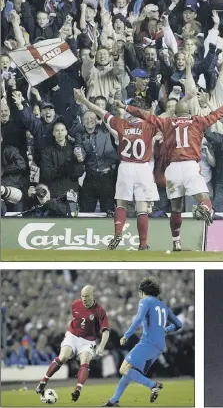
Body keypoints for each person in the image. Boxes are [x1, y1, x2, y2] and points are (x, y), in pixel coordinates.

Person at [124, 94, 223, 250]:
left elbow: (146, 116)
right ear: (189, 112)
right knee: (206, 200)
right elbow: (218, 114)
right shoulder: (197, 121)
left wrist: (127, 107)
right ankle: (203, 208)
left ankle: (176, 242)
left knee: (176, 208)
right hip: (190, 166)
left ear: (175, 113)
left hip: (172, 170)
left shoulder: (166, 122)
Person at [74, 89, 159, 251]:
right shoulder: (149, 125)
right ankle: (142, 244)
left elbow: (100, 111)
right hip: (143, 168)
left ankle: (118, 233)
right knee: (142, 209)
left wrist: (84, 100)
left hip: (125, 167)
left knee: (121, 204)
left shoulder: (121, 124)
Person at [103, 276, 183, 407]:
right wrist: (166, 330)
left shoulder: (145, 301)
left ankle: (152, 385)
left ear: (142, 292)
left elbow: (138, 319)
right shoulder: (164, 306)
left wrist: (126, 335)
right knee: (130, 372)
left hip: (148, 342)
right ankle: (114, 400)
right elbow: (179, 324)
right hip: (159, 346)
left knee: (123, 369)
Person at [36, 285, 109, 403]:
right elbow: (77, 320)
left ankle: (78, 389)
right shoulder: (76, 304)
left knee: (85, 361)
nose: (84, 299)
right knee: (63, 357)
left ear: (93, 296)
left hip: (88, 341)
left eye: (87, 297)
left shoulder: (100, 312)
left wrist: (101, 346)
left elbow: (106, 332)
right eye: (82, 296)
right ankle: (43, 381)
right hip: (72, 336)